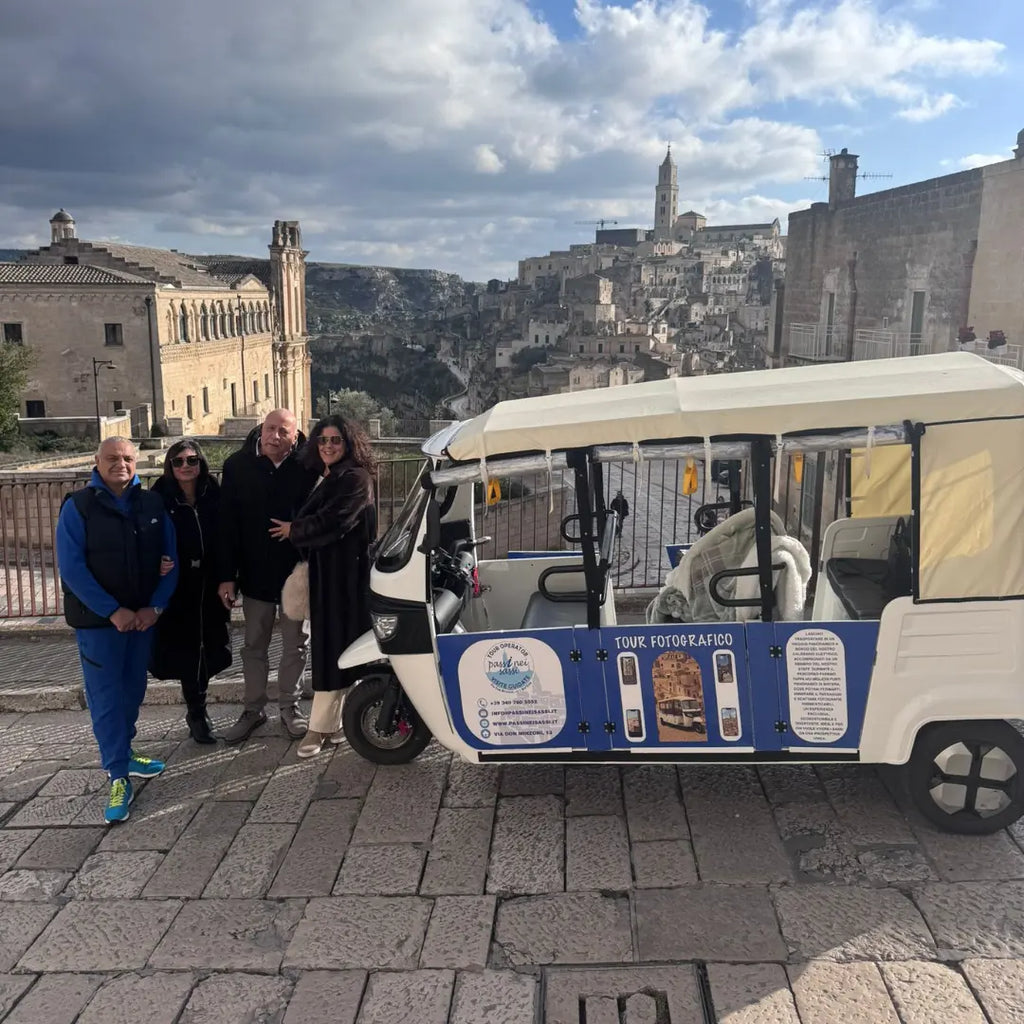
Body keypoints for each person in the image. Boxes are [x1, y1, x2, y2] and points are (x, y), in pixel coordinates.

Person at [56, 437, 179, 824]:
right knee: (106, 696)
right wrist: (113, 611)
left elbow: (170, 559)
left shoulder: (152, 504)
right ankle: (117, 774)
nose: (121, 464)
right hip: (100, 624)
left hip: (141, 619)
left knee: (133, 690)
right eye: (112, 458)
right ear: (97, 462)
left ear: (136, 462)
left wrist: (154, 607)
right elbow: (73, 569)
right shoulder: (78, 507)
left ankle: (124, 753)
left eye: (127, 458)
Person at [270, 416, 377, 758]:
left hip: (345, 577)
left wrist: (294, 530)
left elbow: (337, 520)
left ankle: (318, 728)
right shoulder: (332, 476)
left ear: (348, 445)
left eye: (335, 440)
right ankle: (336, 725)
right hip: (331, 575)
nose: (328, 446)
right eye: (323, 440)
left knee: (333, 650)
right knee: (334, 648)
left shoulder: (355, 478)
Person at [218, 409, 318, 744]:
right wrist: (226, 576)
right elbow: (227, 525)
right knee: (254, 646)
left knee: (296, 645)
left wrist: (298, 531)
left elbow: (325, 513)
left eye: (283, 431)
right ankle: (253, 709)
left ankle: (290, 707)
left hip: (295, 575)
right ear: (261, 430)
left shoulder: (309, 466)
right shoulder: (236, 466)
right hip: (254, 573)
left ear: (295, 436)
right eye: (270, 429)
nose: (275, 436)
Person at [149, 440, 232, 744]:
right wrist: (154, 564)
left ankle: (200, 703)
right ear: (170, 466)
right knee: (186, 649)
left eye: (192, 460)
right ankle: (197, 712)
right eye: (179, 461)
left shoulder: (213, 492)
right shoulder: (158, 497)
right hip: (178, 586)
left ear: (202, 463)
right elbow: (147, 538)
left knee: (209, 646)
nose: (186, 466)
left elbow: (226, 536)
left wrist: (228, 578)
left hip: (210, 584)